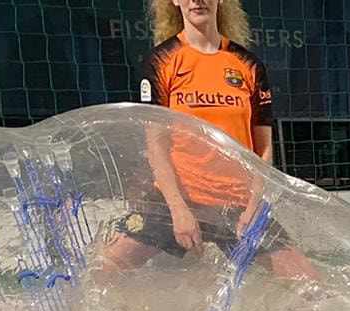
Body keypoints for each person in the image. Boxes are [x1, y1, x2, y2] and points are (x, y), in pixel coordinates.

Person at [106, 0, 282, 268]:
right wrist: (178, 209)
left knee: (307, 282)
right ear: (174, 1)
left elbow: (264, 149)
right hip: (179, 198)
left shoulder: (248, 64)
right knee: (105, 268)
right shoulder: (161, 61)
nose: (197, 0)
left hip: (237, 204)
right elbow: (156, 146)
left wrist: (254, 209)